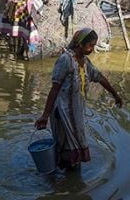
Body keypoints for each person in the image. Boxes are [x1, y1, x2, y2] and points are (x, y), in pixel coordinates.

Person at [35, 28, 123, 170]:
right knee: (65, 146)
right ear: (80, 44)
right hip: (62, 113)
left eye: (94, 45)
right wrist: (45, 115)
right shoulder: (65, 60)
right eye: (90, 45)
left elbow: (100, 78)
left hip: (76, 113)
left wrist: (115, 95)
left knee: (75, 146)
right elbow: (54, 88)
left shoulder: (85, 62)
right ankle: (60, 182)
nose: (92, 49)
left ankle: (68, 179)